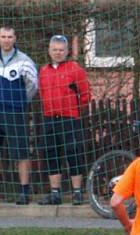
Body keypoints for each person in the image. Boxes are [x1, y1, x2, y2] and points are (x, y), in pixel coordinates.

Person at [0, 25, 38, 206]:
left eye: (9, 37)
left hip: (15, 112)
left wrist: (18, 101)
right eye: (3, 36)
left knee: (21, 154)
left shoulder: (25, 60)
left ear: (15, 38)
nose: (6, 40)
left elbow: (33, 85)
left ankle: (24, 192)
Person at [36, 34, 91, 206]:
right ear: (49, 51)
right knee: (51, 153)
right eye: (55, 49)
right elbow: (42, 93)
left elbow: (85, 94)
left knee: (72, 152)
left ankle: (76, 192)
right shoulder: (43, 71)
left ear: (67, 51)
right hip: (50, 119)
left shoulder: (75, 69)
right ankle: (55, 193)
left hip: (69, 119)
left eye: (61, 50)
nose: (58, 53)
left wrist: (72, 109)